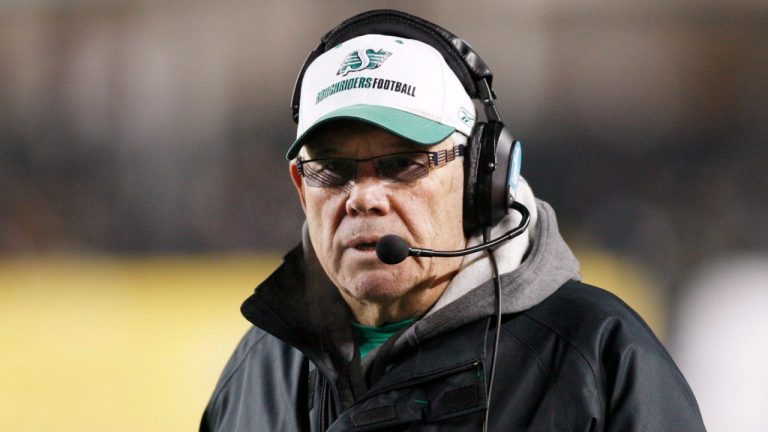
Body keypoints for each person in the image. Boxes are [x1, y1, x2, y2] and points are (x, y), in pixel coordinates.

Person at [201, 10, 706, 431]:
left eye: (403, 164)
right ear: (299, 186)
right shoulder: (257, 369)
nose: (363, 198)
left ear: (482, 177)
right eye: (332, 171)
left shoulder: (596, 356)